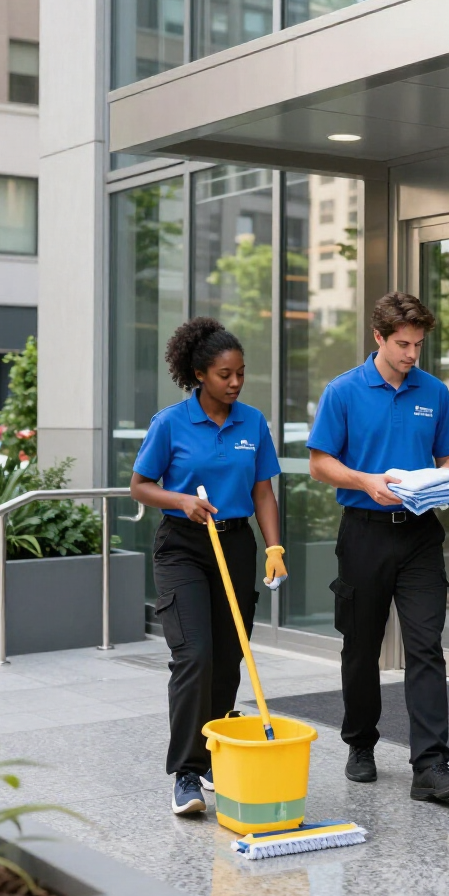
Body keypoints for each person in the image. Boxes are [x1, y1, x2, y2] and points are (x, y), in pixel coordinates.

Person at [307, 292, 449, 803]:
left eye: (419, 345)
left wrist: (443, 483)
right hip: (364, 531)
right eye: (403, 344)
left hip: (420, 534)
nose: (411, 355)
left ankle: (431, 765)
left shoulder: (435, 392)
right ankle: (360, 744)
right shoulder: (343, 392)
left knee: (426, 646)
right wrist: (364, 480)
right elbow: (320, 463)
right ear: (378, 338)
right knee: (362, 646)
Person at [130, 318, 286, 815]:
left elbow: (263, 490)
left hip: (235, 545)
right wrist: (180, 501)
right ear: (200, 374)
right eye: (225, 374)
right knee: (194, 655)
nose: (235, 382)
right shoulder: (171, 423)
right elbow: (140, 485)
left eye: (241, 373)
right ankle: (187, 772)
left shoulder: (252, 423)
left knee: (227, 658)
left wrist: (274, 547)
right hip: (183, 546)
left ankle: (216, 753)